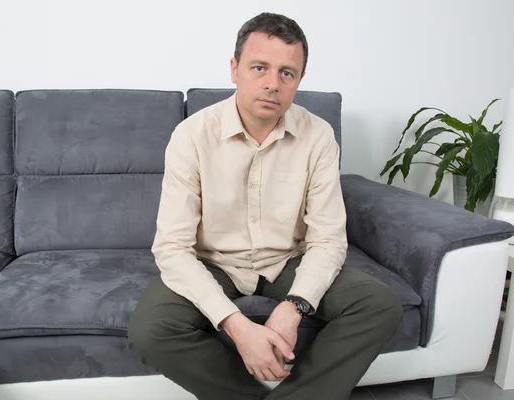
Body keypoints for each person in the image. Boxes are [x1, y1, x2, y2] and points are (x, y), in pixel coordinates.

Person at [128, 12, 402, 400]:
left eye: (287, 73)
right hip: (214, 262)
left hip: (287, 261)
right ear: (235, 69)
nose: (273, 84)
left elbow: (327, 239)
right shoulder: (191, 136)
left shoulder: (318, 136)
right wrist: (237, 327)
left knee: (379, 304)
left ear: (299, 81)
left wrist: (294, 307)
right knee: (150, 331)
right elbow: (172, 249)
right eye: (260, 68)